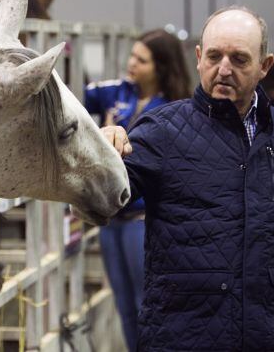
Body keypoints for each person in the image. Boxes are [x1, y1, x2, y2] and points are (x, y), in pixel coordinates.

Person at [100, 6, 274, 350]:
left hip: (269, 337)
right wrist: (99, 151)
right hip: (181, 339)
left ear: (264, 66)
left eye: (239, 59)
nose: (223, 69)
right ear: (198, 58)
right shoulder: (161, 131)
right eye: (214, 56)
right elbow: (99, 198)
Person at [84, 29, 191, 352]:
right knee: (124, 305)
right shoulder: (118, 92)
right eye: (132, 56)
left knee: (148, 303)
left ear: (161, 66)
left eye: (141, 60)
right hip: (111, 218)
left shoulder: (175, 107)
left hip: (143, 220)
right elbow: (79, 93)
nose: (132, 64)